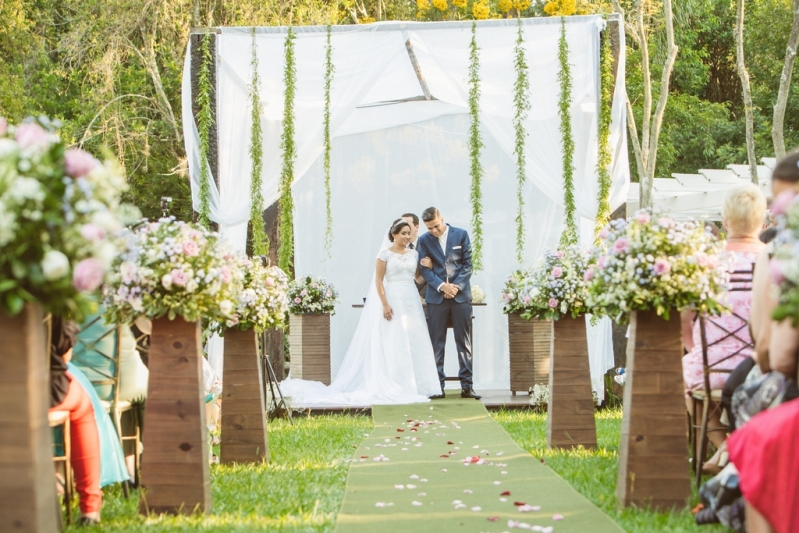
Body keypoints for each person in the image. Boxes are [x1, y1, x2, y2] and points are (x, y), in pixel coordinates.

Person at [280, 219, 441, 406]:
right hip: (393, 298)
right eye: (403, 233)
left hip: (411, 299)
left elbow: (417, 279)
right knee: (394, 340)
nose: (406, 236)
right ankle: (397, 384)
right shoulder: (384, 255)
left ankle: (418, 385)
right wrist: (385, 304)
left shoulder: (414, 254)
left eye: (408, 233)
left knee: (413, 338)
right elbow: (379, 282)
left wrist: (427, 269)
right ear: (394, 234)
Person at [680, 183, 766, 473]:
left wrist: (701, 354)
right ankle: (739, 449)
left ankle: (725, 446)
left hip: (710, 369)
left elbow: (684, 323)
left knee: (688, 380)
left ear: (725, 222)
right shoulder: (776, 261)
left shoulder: (705, 265)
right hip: (761, 369)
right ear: (763, 222)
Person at [416, 207, 480, 400]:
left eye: (436, 226)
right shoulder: (423, 240)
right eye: (429, 228)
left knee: (464, 343)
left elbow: (468, 265)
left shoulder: (461, 234)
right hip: (436, 299)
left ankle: (467, 387)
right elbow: (423, 269)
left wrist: (455, 287)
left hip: (460, 298)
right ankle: (438, 386)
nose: (434, 231)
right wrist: (442, 286)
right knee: (437, 343)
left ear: (442, 219)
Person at [49, 316, 103, 525]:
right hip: (43, 392)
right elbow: (64, 353)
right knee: (82, 403)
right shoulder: (48, 295)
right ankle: (90, 507)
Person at [402, 212, 426, 298]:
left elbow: (436, 272)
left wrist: (422, 294)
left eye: (407, 225)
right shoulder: (395, 249)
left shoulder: (427, 246)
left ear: (417, 227)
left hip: (423, 299)